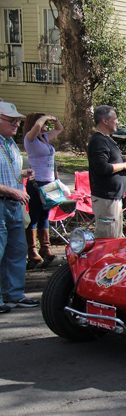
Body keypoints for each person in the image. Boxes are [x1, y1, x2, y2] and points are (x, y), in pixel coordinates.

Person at [0, 100, 40, 312]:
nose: (16, 124)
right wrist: (11, 190)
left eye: (17, 121)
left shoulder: (10, 143)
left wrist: (23, 175)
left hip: (14, 206)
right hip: (3, 202)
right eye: (11, 120)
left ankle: (13, 295)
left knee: (17, 251)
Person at [87, 105, 126, 239]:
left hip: (113, 198)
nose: (117, 122)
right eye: (115, 118)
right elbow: (102, 168)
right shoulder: (98, 141)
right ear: (105, 121)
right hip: (106, 199)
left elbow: (108, 162)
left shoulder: (106, 139)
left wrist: (122, 160)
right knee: (107, 239)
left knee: (115, 237)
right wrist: (125, 165)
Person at [22, 112, 63, 268]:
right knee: (34, 215)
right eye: (45, 124)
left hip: (49, 182)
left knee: (45, 214)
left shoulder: (44, 138)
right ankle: (31, 250)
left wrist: (54, 118)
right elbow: (37, 127)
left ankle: (45, 247)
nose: (46, 126)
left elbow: (59, 129)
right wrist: (42, 119)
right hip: (36, 183)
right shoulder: (30, 139)